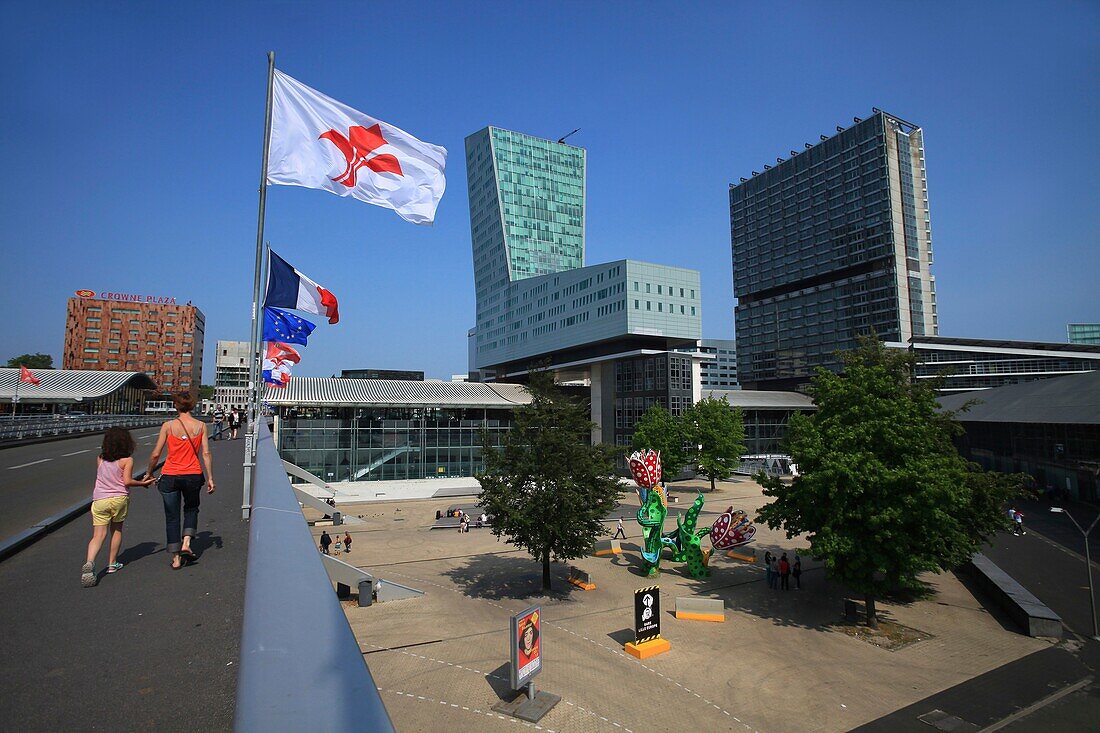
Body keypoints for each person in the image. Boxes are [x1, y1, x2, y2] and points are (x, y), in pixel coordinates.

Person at [147, 390, 215, 570]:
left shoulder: (168, 426)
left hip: (170, 475)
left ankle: (176, 558)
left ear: (176, 405)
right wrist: (210, 478)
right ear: (192, 405)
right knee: (191, 509)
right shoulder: (200, 426)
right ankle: (186, 543)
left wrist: (148, 472)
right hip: (193, 475)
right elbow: (206, 453)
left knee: (172, 517)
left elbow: (155, 454)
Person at [81, 427, 157, 587]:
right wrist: (143, 483)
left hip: (100, 499)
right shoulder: (127, 460)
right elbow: (127, 481)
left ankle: (90, 562)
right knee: (116, 530)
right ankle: (112, 564)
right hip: (119, 499)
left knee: (98, 536)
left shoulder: (100, 458)